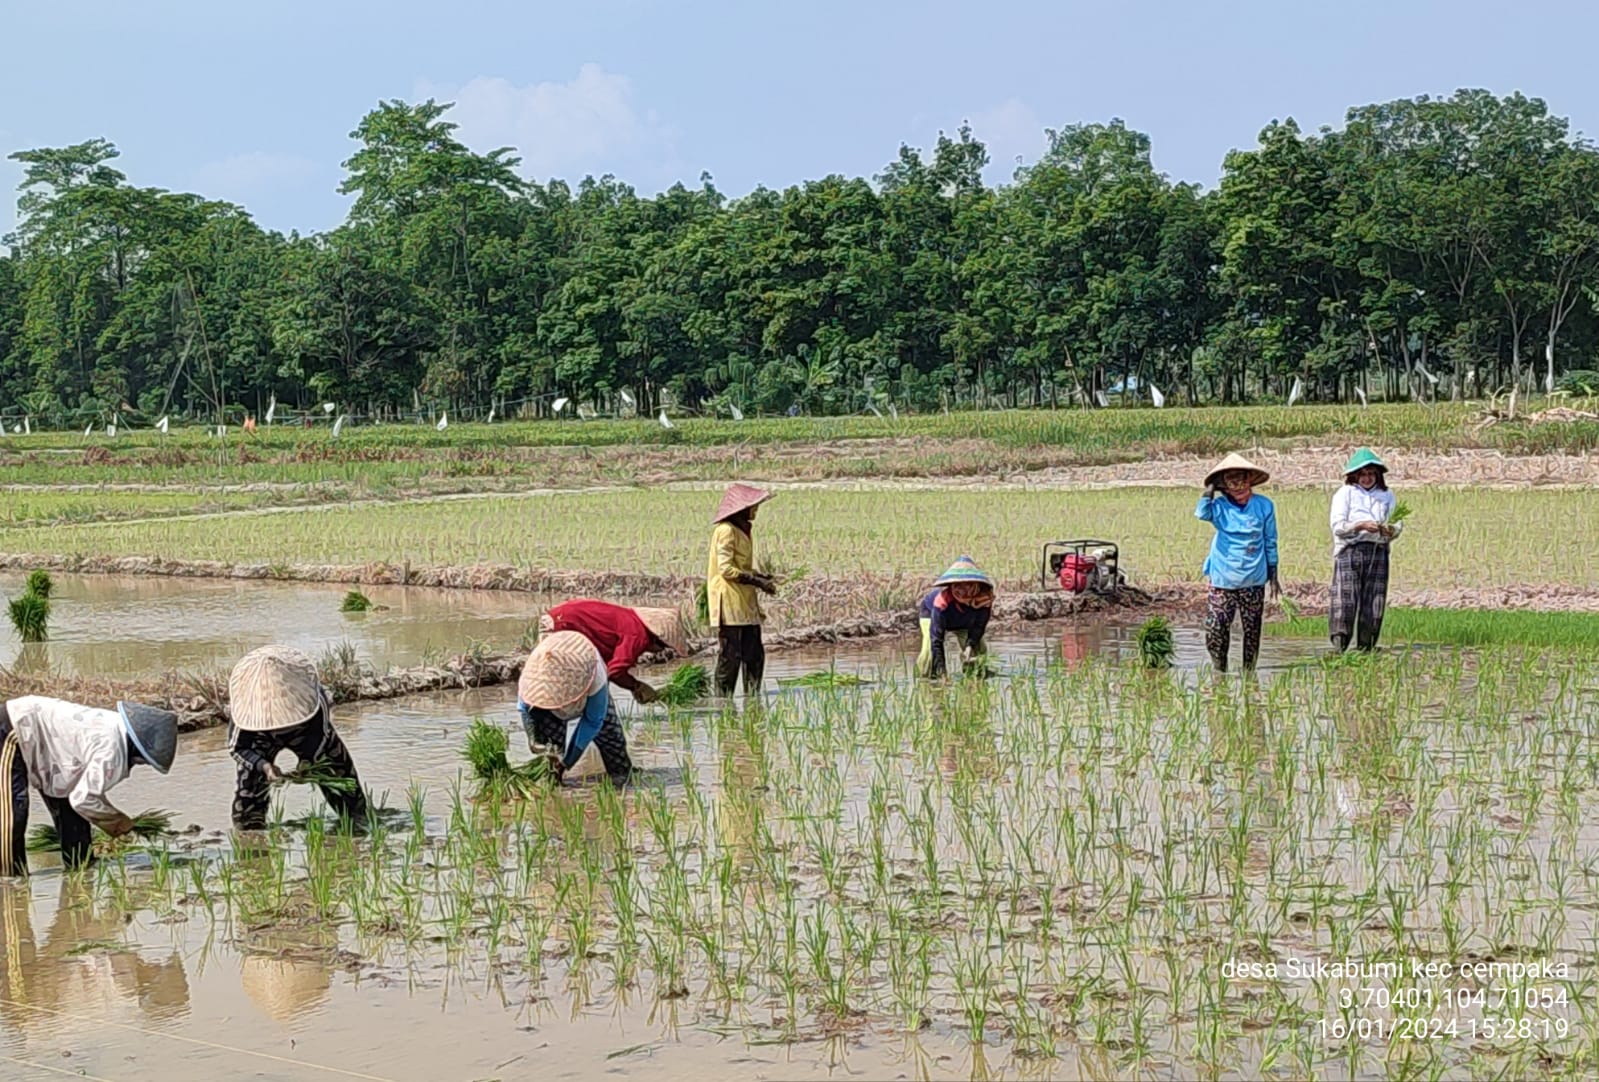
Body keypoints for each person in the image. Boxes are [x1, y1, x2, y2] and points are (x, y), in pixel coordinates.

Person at [0, 694, 178, 876]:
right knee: (12, 814)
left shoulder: (114, 728)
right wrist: (119, 823)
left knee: (73, 827)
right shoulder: (113, 750)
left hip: (48, 750)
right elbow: (83, 799)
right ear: (137, 751)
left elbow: (79, 794)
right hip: (13, 729)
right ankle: (10, 883)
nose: (136, 765)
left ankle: (80, 873)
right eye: (141, 761)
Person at [227, 645, 367, 831]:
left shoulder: (312, 702)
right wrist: (264, 766)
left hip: (305, 731)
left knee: (339, 776)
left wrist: (309, 760)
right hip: (259, 737)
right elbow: (238, 749)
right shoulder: (246, 713)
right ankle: (250, 835)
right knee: (249, 795)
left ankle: (357, 822)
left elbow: (322, 737)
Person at [1196, 453, 1280, 673]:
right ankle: (1219, 670)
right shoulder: (1220, 506)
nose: (1240, 487)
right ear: (1225, 486)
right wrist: (1209, 491)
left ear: (1250, 480)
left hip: (1254, 576)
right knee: (1216, 627)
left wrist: (1274, 572)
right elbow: (1201, 513)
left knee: (1252, 629)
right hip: (1223, 576)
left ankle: (1249, 672)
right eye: (1232, 482)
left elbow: (1270, 540)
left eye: (1243, 480)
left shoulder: (1264, 505)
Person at [518, 630, 632, 785]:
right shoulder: (533, 673)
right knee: (552, 752)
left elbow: (592, 722)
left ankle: (622, 779)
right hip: (546, 709)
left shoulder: (594, 674)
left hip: (588, 697)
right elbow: (524, 708)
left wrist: (568, 761)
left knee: (611, 737)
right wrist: (533, 738)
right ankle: (553, 783)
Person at [538, 600, 690, 704]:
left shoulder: (631, 619)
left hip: (556, 618)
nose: (659, 652)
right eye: (663, 647)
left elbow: (604, 668)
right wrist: (636, 686)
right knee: (555, 688)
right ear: (657, 640)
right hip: (562, 626)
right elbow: (615, 671)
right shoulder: (638, 635)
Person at [1329, 448, 1403, 653]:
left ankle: (1366, 647)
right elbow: (1338, 526)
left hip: (1378, 550)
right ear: (1355, 475)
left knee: (1374, 600)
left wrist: (1389, 530)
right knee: (1345, 599)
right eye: (1362, 474)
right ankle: (1339, 647)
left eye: (1371, 474)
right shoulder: (1345, 494)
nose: (1367, 478)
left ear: (1377, 475)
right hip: (1350, 550)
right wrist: (1360, 525)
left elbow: (1397, 524)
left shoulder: (1386, 495)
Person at [706, 483, 777, 696]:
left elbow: (740, 566)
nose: (756, 510)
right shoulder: (726, 530)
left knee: (754, 653)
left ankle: (752, 697)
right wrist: (757, 582)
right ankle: (723, 700)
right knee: (731, 653)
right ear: (741, 509)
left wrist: (758, 575)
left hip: (744, 600)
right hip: (729, 600)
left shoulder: (742, 529)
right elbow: (726, 569)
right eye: (753, 506)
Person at [916, 556, 995, 678]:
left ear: (976, 585)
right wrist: (942, 674)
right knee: (928, 652)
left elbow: (979, 627)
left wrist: (969, 646)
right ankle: (925, 679)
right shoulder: (942, 602)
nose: (962, 590)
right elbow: (936, 640)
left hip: (962, 622)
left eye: (967, 585)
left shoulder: (983, 600)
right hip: (932, 615)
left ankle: (975, 677)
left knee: (979, 650)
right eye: (957, 585)